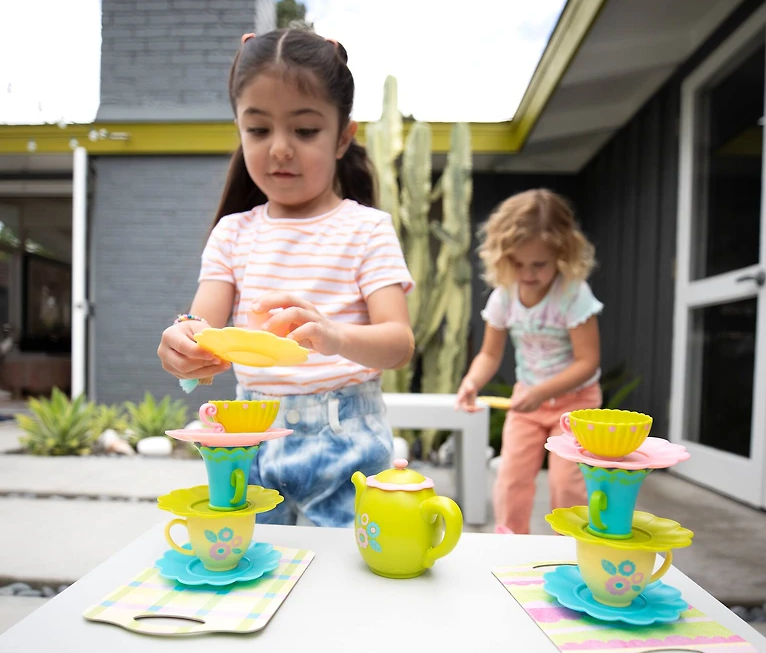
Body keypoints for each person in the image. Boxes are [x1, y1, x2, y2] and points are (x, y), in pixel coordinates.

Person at [157, 28, 415, 527]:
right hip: (248, 443)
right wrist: (183, 344)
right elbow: (201, 328)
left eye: (304, 130)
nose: (280, 149)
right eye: (258, 130)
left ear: (343, 136)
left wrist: (335, 336)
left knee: (343, 585)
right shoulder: (233, 235)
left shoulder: (366, 230)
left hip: (349, 450)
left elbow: (398, 342)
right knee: (252, 576)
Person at [455, 189, 602, 534]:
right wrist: (472, 381)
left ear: (563, 254)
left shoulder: (572, 295)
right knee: (511, 480)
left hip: (576, 405)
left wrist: (543, 392)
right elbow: (490, 353)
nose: (528, 274)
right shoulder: (504, 296)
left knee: (566, 485)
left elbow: (588, 362)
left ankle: (571, 549)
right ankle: (512, 548)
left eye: (539, 265)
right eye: (518, 264)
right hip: (527, 403)